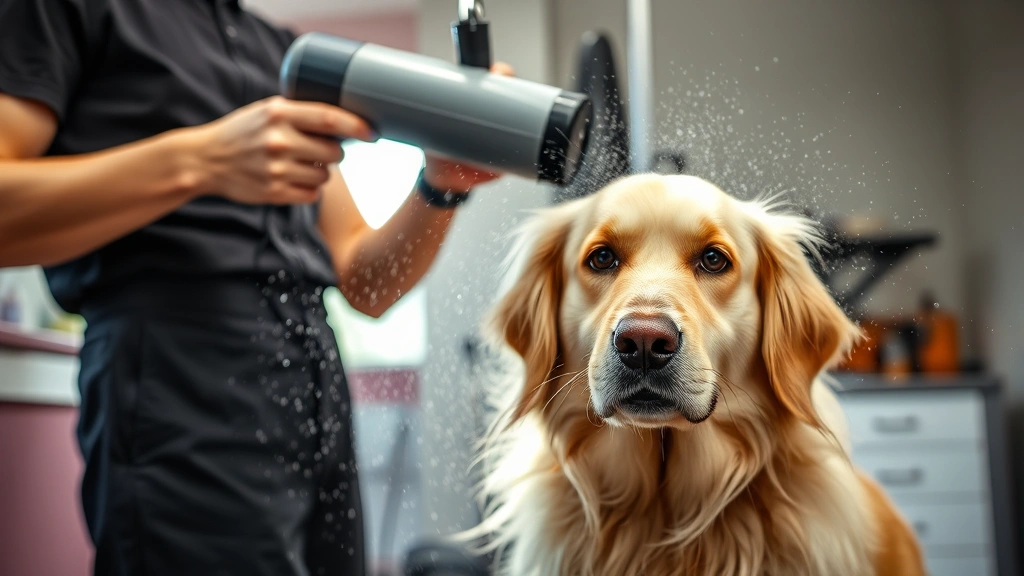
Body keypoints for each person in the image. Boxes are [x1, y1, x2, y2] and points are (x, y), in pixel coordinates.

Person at [0, 1, 513, 574]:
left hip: (312, 374)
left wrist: (440, 185)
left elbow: (366, 282)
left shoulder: (282, 51)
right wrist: (201, 160)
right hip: (175, 373)